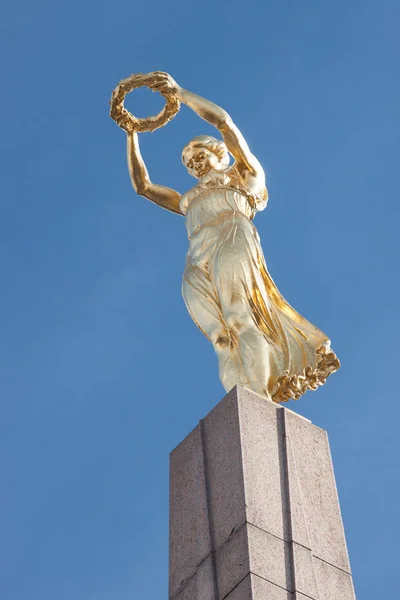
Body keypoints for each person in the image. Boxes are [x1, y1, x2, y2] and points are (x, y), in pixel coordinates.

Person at [111, 72, 340, 402]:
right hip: (196, 255)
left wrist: (181, 93)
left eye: (199, 155)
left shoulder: (243, 176)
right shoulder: (187, 199)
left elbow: (224, 122)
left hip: (233, 235)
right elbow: (143, 187)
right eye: (189, 163)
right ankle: (239, 405)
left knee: (238, 317)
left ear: (219, 154)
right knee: (219, 335)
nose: (195, 164)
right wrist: (132, 134)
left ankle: (259, 398)